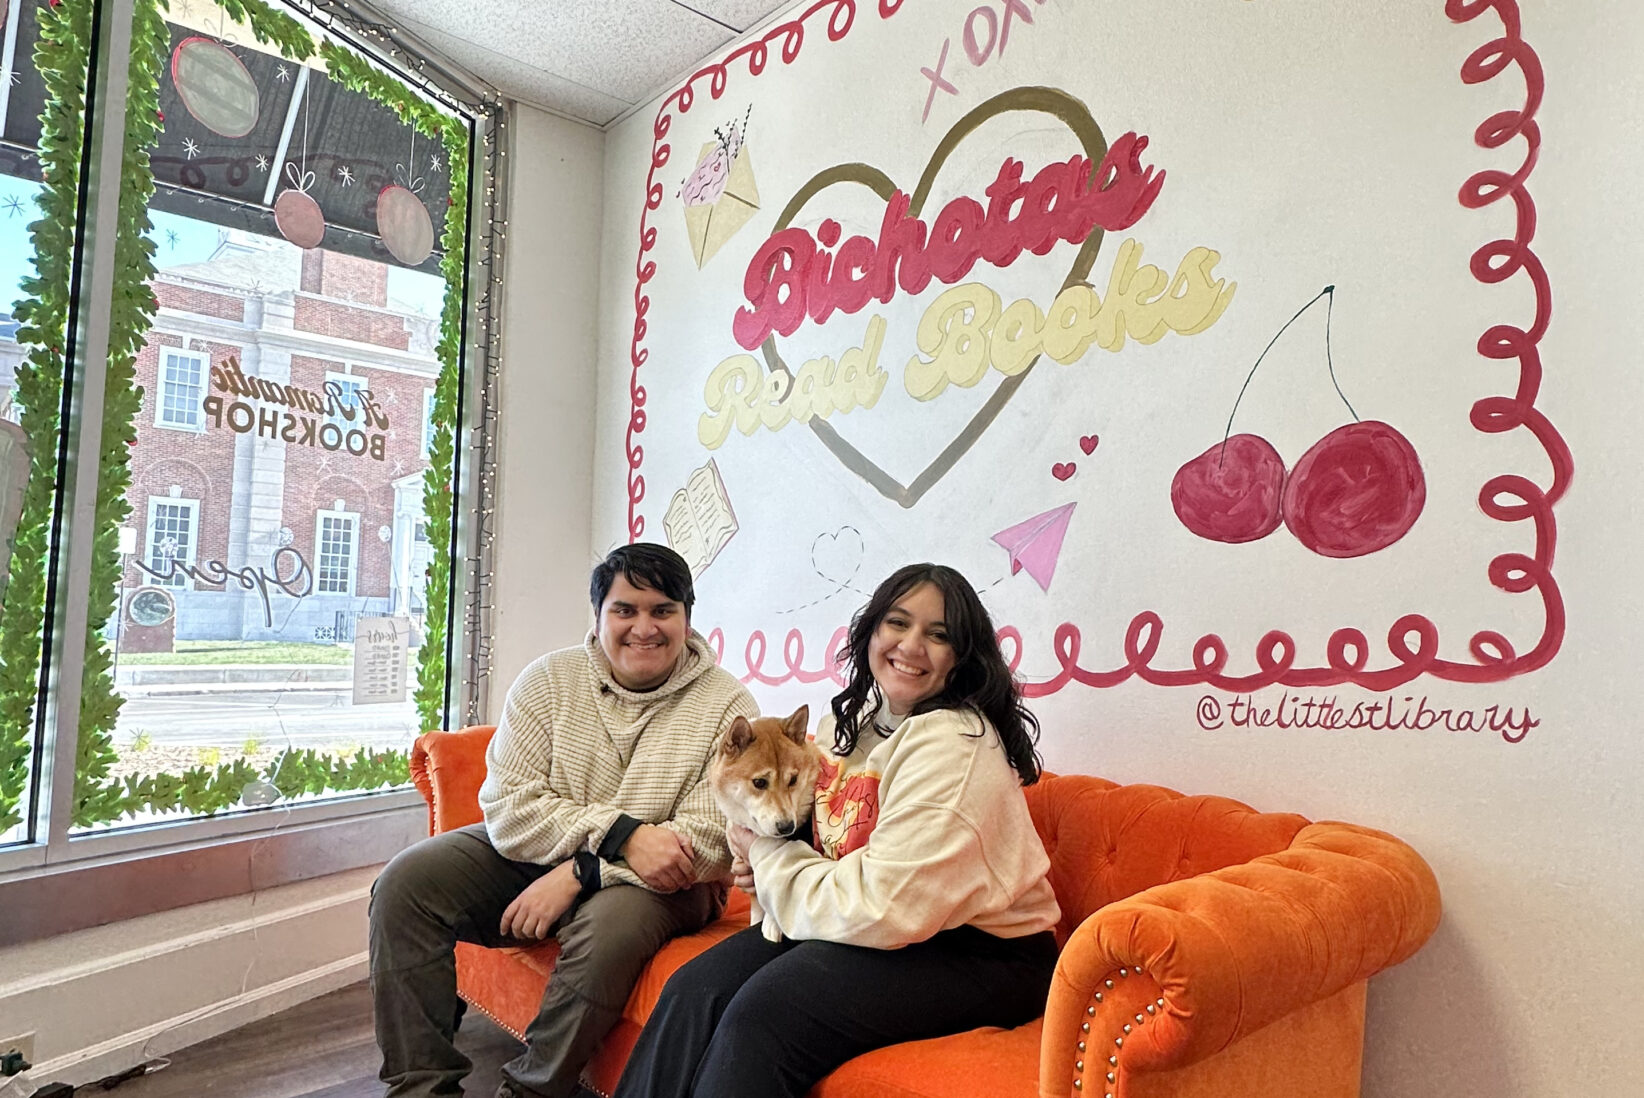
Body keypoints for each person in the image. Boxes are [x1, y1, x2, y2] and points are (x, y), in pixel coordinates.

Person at [613, 563, 1061, 1098]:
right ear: (872, 632)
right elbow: (819, 837)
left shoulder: (955, 745)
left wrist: (767, 859)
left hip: (981, 949)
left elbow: (884, 905)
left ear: (962, 656)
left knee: (765, 1016)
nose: (912, 645)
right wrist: (759, 856)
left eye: (938, 635)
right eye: (897, 623)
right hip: (889, 920)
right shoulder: (851, 725)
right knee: (694, 990)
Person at [369, 543, 759, 1098]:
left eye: (662, 610)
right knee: (406, 884)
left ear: (687, 620)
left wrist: (582, 874)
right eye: (625, 610)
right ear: (598, 616)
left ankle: (529, 1092)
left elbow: (706, 842)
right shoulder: (548, 681)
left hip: (663, 884)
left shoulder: (727, 705)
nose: (643, 627)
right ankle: (422, 1089)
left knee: (611, 928)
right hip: (538, 856)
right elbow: (508, 810)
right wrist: (620, 837)